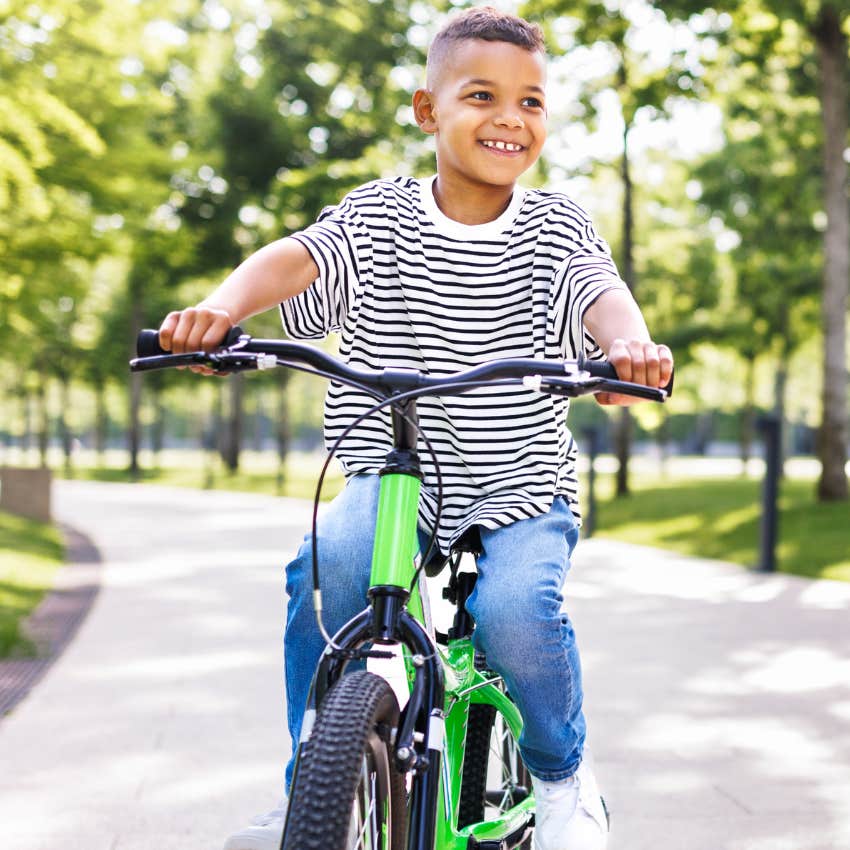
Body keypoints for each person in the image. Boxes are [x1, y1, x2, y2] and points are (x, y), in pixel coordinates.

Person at [158, 7, 673, 850]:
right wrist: (220, 311)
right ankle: (310, 788)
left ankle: (562, 781)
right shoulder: (379, 215)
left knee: (512, 613)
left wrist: (626, 349)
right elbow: (298, 257)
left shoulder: (556, 225)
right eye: (482, 95)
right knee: (326, 580)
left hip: (518, 485)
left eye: (532, 102)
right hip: (388, 472)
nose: (510, 118)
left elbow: (600, 294)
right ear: (427, 111)